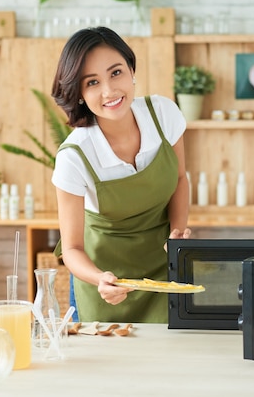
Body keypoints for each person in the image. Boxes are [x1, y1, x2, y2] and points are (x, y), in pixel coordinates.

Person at [50, 27, 191, 323]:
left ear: (131, 70)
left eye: (116, 73)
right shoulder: (74, 157)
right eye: (92, 82)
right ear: (79, 94)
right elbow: (72, 249)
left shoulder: (163, 115)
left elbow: (179, 179)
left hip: (165, 274)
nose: (109, 91)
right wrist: (101, 279)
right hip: (106, 287)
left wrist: (177, 234)